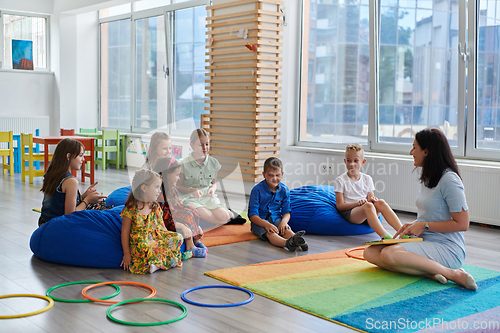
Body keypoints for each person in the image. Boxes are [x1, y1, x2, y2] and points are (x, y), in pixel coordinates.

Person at [364, 128, 477, 291]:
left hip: (447, 248)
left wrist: (424, 226)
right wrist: (414, 225)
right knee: (370, 253)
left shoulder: (450, 180)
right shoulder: (429, 177)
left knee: (389, 254)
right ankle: (428, 272)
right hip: (425, 239)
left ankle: (453, 274)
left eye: (414, 147)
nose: (411, 152)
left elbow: (462, 224)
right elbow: (433, 214)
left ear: (426, 151)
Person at [120, 169, 184, 274]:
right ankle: (161, 263)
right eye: (157, 187)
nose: (159, 191)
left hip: (156, 239)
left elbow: (163, 228)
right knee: (145, 246)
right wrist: (126, 253)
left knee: (178, 237)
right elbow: (125, 232)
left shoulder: (156, 207)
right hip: (142, 244)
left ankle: (156, 264)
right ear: (144, 188)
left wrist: (168, 237)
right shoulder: (131, 209)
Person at [334, 143, 403, 240]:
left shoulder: (367, 179)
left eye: (356, 161)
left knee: (381, 202)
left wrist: (373, 200)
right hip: (352, 213)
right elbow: (340, 206)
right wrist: (357, 204)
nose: (352, 164)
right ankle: (385, 236)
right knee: (368, 206)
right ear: (345, 161)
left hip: (367, 211)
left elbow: (370, 199)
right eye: (349, 161)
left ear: (363, 162)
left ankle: (402, 232)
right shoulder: (340, 180)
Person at [39, 138, 106, 226]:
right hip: (58, 225)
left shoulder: (50, 174)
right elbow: (70, 214)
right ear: (68, 156)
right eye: (81, 155)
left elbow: (59, 202)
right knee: (101, 208)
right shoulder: (70, 181)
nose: (83, 159)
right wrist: (87, 200)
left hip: (44, 222)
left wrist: (83, 196)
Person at [248, 157, 308, 252]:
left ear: (282, 175)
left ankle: (297, 240)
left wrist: (284, 222)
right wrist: (266, 224)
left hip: (277, 219)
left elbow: (287, 212)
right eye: (271, 175)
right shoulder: (256, 190)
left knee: (286, 229)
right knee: (271, 233)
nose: (274, 179)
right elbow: (252, 215)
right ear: (264, 174)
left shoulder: (284, 190)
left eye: (277, 175)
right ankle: (286, 243)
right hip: (260, 222)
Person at [153, 156, 208, 258]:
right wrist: (181, 225)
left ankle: (195, 240)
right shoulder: (159, 194)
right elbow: (162, 217)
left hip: (174, 219)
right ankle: (190, 246)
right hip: (165, 223)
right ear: (167, 174)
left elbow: (180, 207)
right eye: (177, 175)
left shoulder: (172, 190)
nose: (178, 178)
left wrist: (196, 225)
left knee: (191, 209)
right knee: (186, 214)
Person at [176, 129, 234, 224]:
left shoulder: (213, 162)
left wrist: (212, 189)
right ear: (192, 145)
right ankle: (223, 221)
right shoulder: (183, 164)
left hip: (207, 197)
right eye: (200, 145)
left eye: (207, 144)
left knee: (224, 215)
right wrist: (192, 190)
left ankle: (227, 215)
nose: (204, 147)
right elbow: (178, 187)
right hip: (190, 198)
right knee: (205, 214)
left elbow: (214, 184)